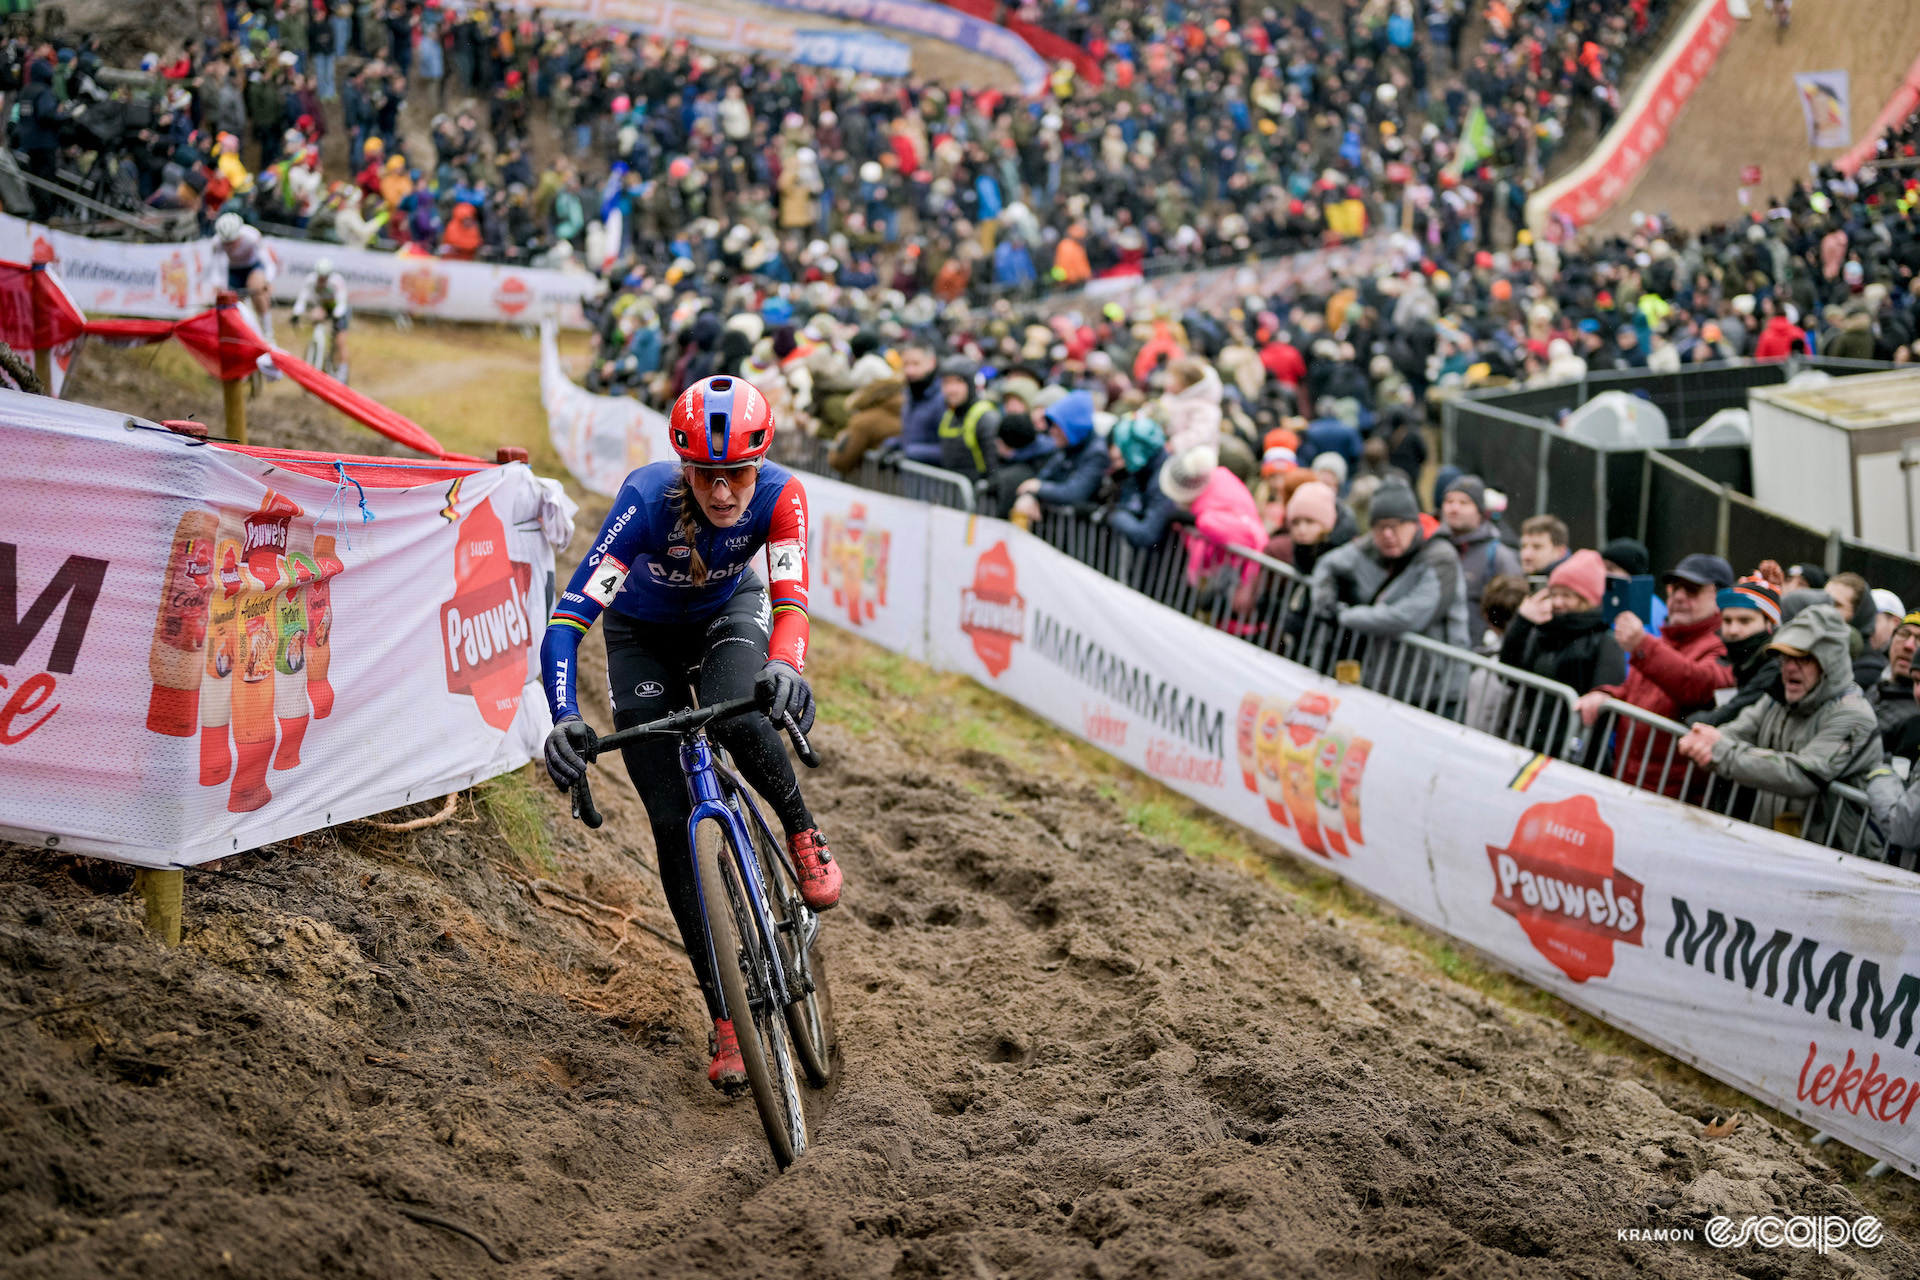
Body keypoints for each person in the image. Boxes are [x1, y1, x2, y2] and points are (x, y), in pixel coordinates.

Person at [539, 375, 840, 1095]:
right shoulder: (645, 503)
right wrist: (563, 718)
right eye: (708, 475)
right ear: (686, 467)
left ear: (758, 465)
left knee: (741, 708)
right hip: (641, 636)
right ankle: (727, 1018)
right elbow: (566, 622)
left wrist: (786, 668)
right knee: (671, 824)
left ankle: (800, 831)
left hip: (725, 614)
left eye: (737, 473)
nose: (725, 492)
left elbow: (793, 602)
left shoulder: (782, 495)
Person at [1677, 604, 1882, 843]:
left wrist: (1721, 751)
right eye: (1785, 657)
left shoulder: (1853, 714)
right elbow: (1736, 731)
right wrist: (1707, 741)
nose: (1790, 667)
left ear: (1830, 662)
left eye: (1803, 658)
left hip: (1838, 861)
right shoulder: (1777, 699)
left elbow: (1804, 774)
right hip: (1775, 844)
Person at [1576, 553, 1735, 797]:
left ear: (1721, 598)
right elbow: (1638, 692)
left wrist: (1643, 645)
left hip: (1672, 796)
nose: (1679, 597)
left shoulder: (1725, 645)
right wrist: (1607, 697)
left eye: (1692, 590)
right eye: (1675, 588)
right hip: (1631, 781)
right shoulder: (1667, 639)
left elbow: (1698, 685)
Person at [1310, 478, 1471, 694]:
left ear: (1413, 523)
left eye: (1395, 526)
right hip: (1386, 681)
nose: (1387, 535)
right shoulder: (1372, 544)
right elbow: (1328, 563)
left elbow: (1410, 616)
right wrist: (1323, 595)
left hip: (1436, 690)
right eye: (1380, 527)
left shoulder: (1441, 557)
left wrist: (1346, 616)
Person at [1440, 474, 1520, 621]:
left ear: (1480, 512)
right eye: (1449, 501)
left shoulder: (1498, 556)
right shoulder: (1433, 547)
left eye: (1464, 502)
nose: (1454, 508)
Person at [934, 357, 998, 484]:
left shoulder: (985, 417)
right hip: (952, 494)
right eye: (947, 382)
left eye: (959, 382)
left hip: (976, 497)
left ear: (970, 384)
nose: (952, 389)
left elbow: (994, 468)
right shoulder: (948, 415)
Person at [214, 211, 275, 339]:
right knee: (235, 307)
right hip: (234, 270)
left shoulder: (251, 236)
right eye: (227, 243)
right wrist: (218, 285)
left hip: (253, 267)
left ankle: (268, 334)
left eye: (234, 241)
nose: (231, 246)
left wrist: (268, 282)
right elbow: (216, 267)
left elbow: (268, 263)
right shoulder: (216, 243)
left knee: (257, 289)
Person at [291, 254, 351, 380]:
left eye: (325, 277)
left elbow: (342, 303)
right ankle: (315, 346)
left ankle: (342, 373)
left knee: (340, 341)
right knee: (315, 316)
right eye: (320, 277)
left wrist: (336, 315)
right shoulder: (311, 280)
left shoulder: (337, 282)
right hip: (324, 307)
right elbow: (302, 299)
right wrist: (296, 313)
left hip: (340, 309)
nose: (322, 280)